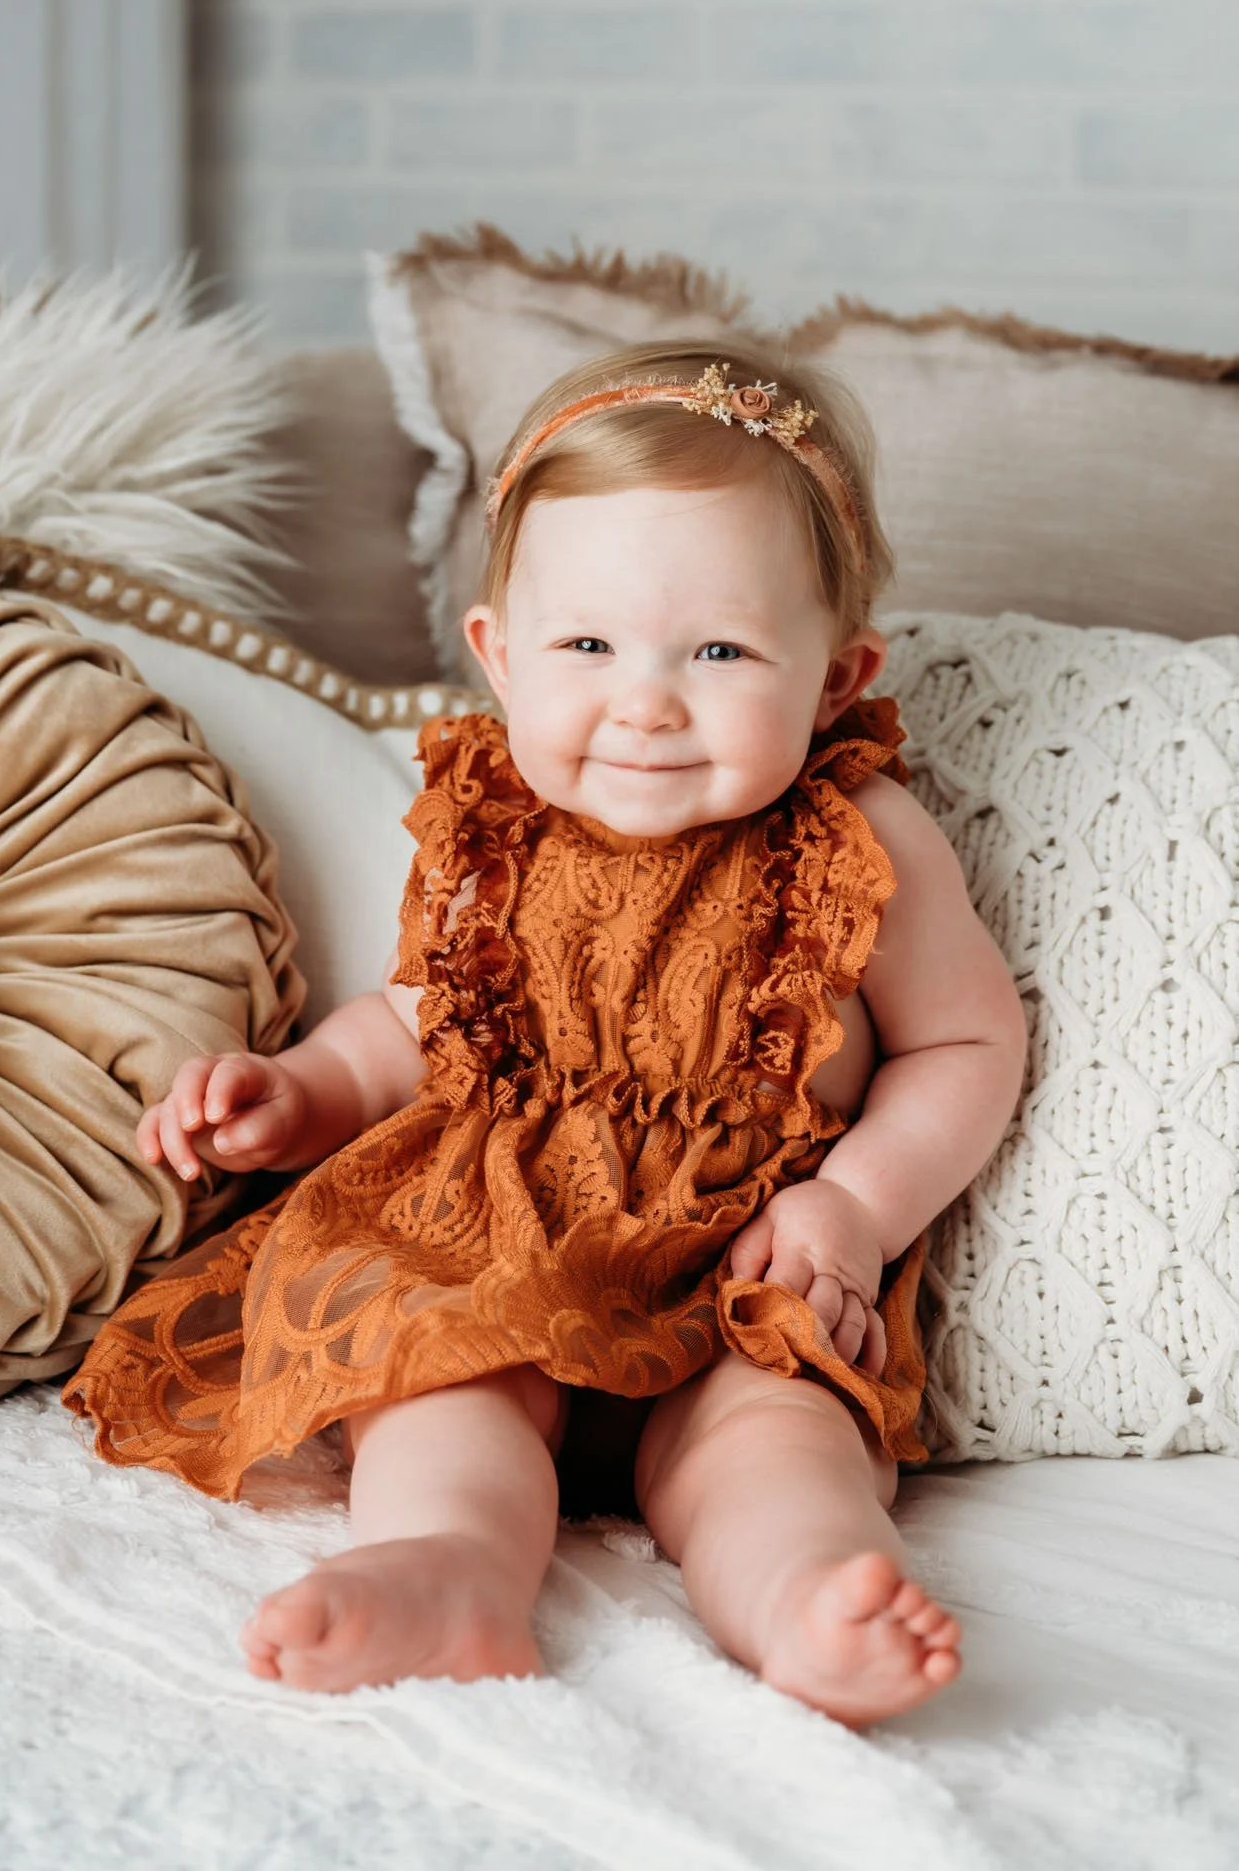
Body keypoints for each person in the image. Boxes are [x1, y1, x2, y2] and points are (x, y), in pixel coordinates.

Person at [65, 340, 1026, 1728]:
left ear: (833, 678)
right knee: (435, 1390)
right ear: (496, 657)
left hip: (735, 1268)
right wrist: (304, 1089)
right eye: (586, 646)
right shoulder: (483, 832)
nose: (644, 700)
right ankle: (450, 1569)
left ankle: (812, 1597)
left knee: (772, 1440)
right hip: (491, 1255)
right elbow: (417, 1023)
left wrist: (855, 1212)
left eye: (718, 650)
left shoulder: (860, 840)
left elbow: (964, 1049)